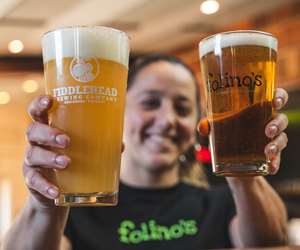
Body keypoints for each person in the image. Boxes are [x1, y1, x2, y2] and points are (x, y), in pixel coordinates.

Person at [0, 54, 289, 250]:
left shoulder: (224, 200)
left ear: (197, 123)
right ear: (119, 112)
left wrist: (243, 171)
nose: (167, 120)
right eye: (150, 103)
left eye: (183, 108)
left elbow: (271, 242)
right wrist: (45, 206)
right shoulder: (77, 209)